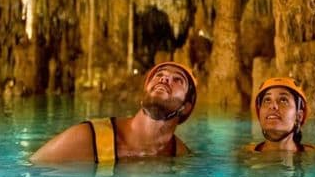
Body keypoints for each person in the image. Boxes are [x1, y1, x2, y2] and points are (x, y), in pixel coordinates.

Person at [30, 61, 197, 164]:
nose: (164, 79)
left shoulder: (180, 155)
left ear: (187, 107)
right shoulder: (87, 138)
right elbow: (32, 172)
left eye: (177, 80)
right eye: (159, 75)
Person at [245, 77, 315, 153]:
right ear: (259, 114)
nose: (273, 106)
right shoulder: (244, 154)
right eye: (267, 100)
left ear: (299, 116)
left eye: (283, 100)